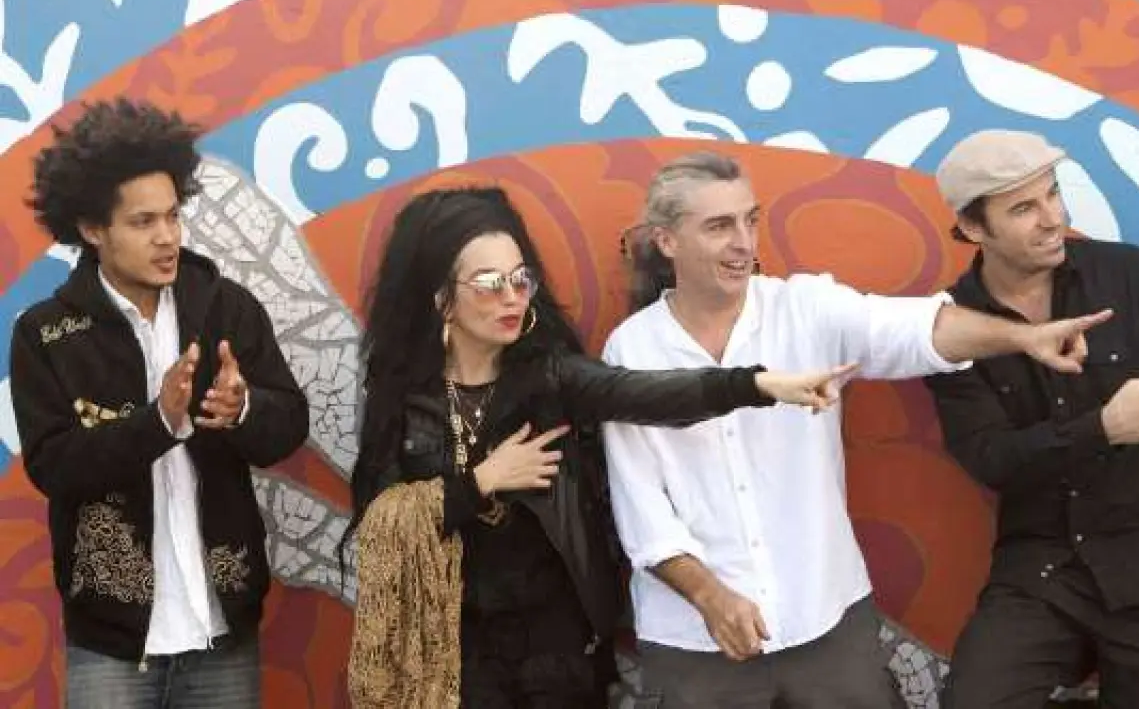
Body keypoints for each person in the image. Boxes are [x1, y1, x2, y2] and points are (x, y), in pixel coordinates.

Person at [601, 150, 1113, 708]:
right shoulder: (632, 351)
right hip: (695, 642)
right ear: (667, 240)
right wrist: (710, 598)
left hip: (827, 620)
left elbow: (915, 329)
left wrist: (1023, 338)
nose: (744, 243)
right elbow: (642, 510)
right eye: (719, 226)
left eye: (751, 220)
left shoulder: (805, 308)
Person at [342, 186, 853, 708]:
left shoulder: (551, 376)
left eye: (521, 279)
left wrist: (757, 385)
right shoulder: (400, 397)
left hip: (557, 647)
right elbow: (379, 524)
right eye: (491, 284)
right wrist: (482, 482)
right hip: (450, 652)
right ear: (440, 298)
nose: (513, 297)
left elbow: (644, 393)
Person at [921, 129, 1139, 708]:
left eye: (1052, 193)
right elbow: (991, 459)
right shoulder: (952, 328)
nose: (1053, 218)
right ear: (974, 228)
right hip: (1040, 572)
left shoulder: (1129, 275)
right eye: (1023, 209)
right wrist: (1103, 427)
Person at [10, 98, 310, 708]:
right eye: (143, 222)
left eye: (173, 215)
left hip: (222, 632)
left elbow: (289, 425)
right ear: (93, 230)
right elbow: (54, 467)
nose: (167, 237)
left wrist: (243, 409)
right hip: (109, 646)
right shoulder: (45, 335)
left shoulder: (227, 307)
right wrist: (160, 424)